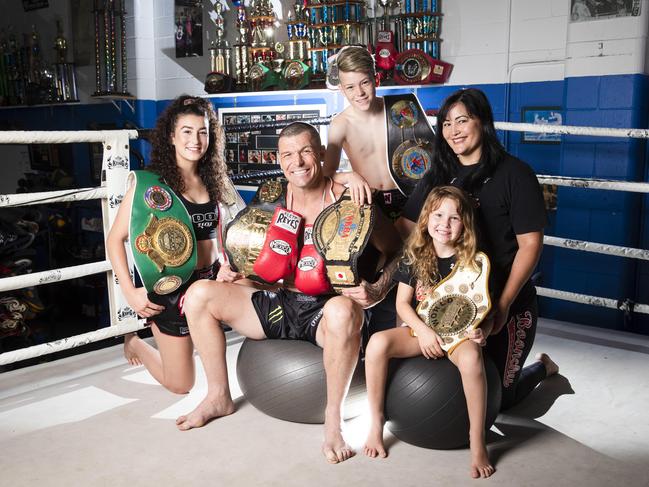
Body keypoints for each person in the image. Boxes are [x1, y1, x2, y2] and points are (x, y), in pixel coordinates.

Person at [175, 122, 401, 464]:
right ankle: (218, 396)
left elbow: (401, 250)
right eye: (288, 155)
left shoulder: (351, 199)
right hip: (279, 301)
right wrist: (233, 273)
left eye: (307, 151)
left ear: (322, 155)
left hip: (329, 310)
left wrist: (379, 288)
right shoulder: (270, 199)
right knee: (199, 294)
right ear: (280, 162)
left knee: (342, 311)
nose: (298, 161)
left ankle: (333, 423)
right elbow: (255, 261)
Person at [396, 88, 559, 410]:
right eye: (446, 123)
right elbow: (407, 230)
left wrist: (503, 304)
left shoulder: (515, 174)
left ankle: (543, 367)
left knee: (502, 399)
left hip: (503, 299)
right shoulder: (439, 174)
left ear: (482, 122)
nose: (453, 131)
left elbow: (530, 244)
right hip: (449, 303)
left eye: (462, 121)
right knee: (444, 380)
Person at [106, 95, 244, 394]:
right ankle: (137, 343)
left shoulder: (215, 180)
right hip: (171, 288)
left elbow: (226, 234)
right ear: (171, 136)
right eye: (187, 131)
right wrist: (130, 292)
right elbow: (115, 239)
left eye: (203, 132)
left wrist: (230, 266)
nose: (196, 140)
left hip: (211, 283)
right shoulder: (149, 184)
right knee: (181, 384)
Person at [364, 186, 495, 478]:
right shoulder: (415, 254)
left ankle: (477, 441)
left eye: (454, 218)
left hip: (458, 334)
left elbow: (487, 310)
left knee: (473, 359)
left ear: (465, 225)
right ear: (426, 218)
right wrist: (422, 331)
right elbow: (402, 304)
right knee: (376, 344)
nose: (444, 224)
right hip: (421, 329)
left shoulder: (476, 262)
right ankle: (376, 423)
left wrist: (481, 332)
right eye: (438, 215)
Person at [323, 46, 404, 214]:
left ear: (376, 79)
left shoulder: (398, 109)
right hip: (368, 199)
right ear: (342, 90)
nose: (359, 92)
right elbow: (327, 174)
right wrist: (349, 176)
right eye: (350, 87)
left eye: (365, 82)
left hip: (407, 194)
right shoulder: (340, 124)